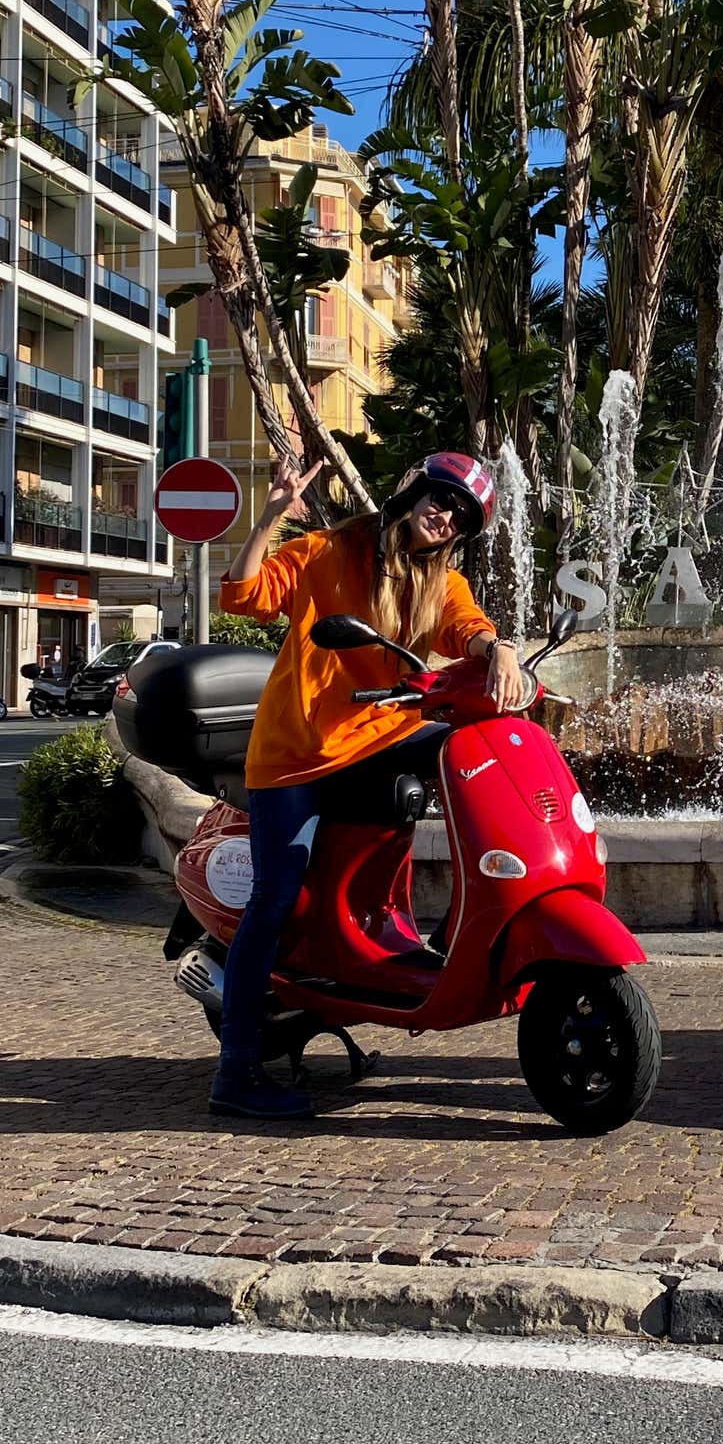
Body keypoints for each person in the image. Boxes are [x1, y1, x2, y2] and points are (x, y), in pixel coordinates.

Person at [210, 449, 528, 1119]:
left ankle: (434, 932)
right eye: (441, 499)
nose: (445, 517)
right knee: (275, 897)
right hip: (299, 754)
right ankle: (236, 1071)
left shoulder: (439, 580)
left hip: (378, 738)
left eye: (461, 516)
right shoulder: (328, 552)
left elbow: (466, 626)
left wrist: (498, 649)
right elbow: (243, 595)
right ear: (412, 491)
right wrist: (270, 516)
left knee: (466, 752)